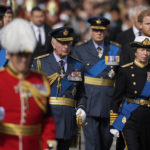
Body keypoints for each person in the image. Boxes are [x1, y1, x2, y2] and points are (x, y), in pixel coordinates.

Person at [0, 18, 56, 150]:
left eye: (27, 55)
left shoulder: (41, 81)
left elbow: (47, 119)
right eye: (19, 55)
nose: (24, 60)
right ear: (10, 55)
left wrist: (49, 144)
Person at [32, 26, 86, 150]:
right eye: (62, 43)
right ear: (53, 44)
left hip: (67, 120)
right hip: (47, 118)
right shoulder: (40, 63)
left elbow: (81, 93)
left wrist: (82, 108)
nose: (66, 46)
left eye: (68, 43)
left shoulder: (78, 65)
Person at [72, 16, 121, 150]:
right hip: (90, 101)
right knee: (92, 145)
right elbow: (76, 76)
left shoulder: (115, 49)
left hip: (108, 102)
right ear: (91, 31)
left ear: (106, 32)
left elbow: (120, 76)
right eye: (95, 30)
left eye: (101, 30)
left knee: (106, 143)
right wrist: (77, 102)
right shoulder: (80, 49)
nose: (99, 33)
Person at [110, 36, 150, 150]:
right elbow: (116, 97)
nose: (145, 53)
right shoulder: (126, 70)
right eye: (142, 50)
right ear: (135, 52)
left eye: (148, 50)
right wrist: (113, 122)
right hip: (130, 118)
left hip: (147, 118)